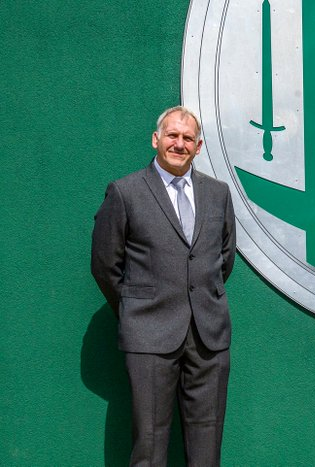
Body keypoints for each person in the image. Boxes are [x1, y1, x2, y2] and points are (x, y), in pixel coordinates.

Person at [91, 106, 236, 466]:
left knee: (207, 450)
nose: (179, 143)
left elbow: (224, 258)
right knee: (150, 447)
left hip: (208, 336)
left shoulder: (218, 194)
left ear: (198, 147)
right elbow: (105, 265)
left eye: (188, 138)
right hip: (148, 333)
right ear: (156, 139)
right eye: (172, 135)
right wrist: (135, 309)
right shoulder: (125, 192)